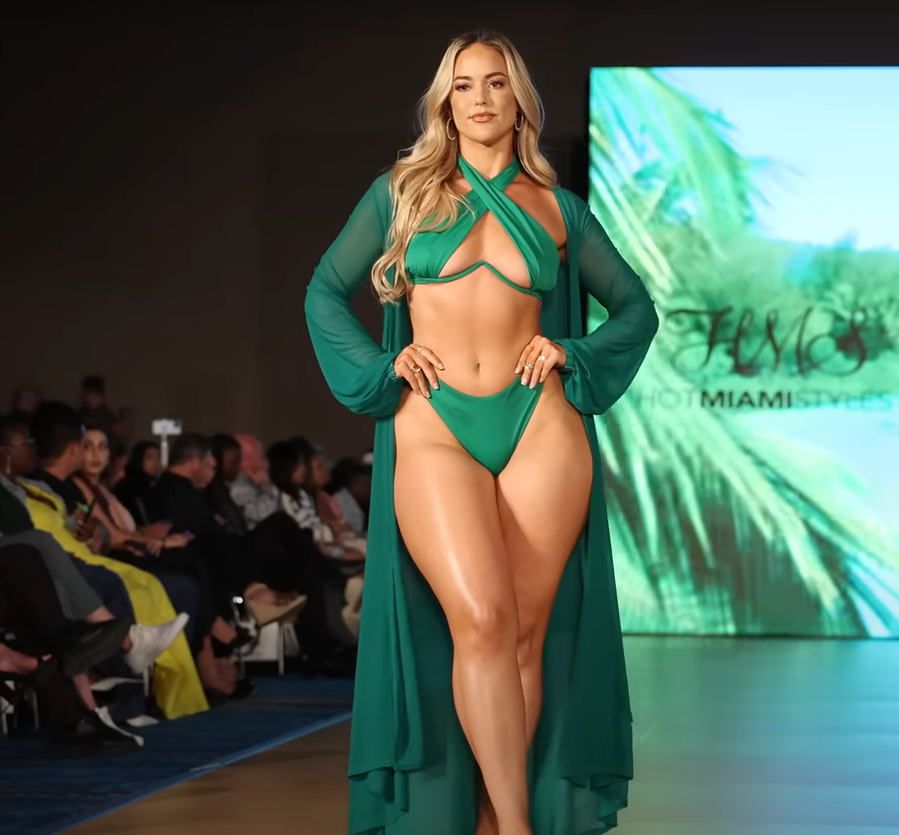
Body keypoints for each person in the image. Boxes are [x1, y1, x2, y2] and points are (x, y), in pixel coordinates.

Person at [304, 30, 658, 835]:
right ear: (445, 102)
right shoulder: (402, 194)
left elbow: (636, 308)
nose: (480, 98)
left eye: (495, 82)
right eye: (463, 85)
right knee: (485, 621)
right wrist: (380, 366)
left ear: (519, 99)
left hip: (540, 420)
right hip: (435, 422)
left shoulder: (559, 208)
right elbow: (324, 290)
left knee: (526, 636)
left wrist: (571, 352)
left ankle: (502, 818)